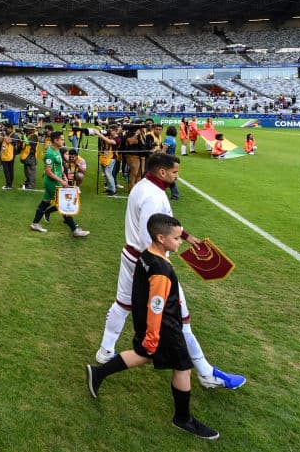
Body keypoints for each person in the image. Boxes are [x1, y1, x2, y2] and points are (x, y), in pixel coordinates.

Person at [94, 152, 245, 390]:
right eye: (175, 172)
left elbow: (159, 222)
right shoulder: (153, 196)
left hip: (132, 256)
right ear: (162, 172)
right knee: (181, 319)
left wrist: (185, 236)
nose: (177, 176)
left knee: (123, 304)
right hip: (151, 265)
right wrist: (163, 263)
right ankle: (206, 373)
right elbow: (151, 235)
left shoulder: (144, 185)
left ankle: (105, 350)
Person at [86, 214, 220, 441]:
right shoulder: (161, 271)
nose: (180, 242)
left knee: (144, 355)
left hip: (148, 321)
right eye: (177, 238)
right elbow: (157, 306)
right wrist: (152, 335)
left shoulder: (146, 256)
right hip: (163, 326)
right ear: (161, 238)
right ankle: (183, 419)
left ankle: (98, 373)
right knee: (183, 366)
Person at [29, 131, 89, 237]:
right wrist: (61, 181)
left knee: (45, 203)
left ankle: (34, 224)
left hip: (56, 180)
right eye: (61, 139)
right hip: (52, 182)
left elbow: (58, 167)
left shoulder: (57, 151)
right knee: (63, 204)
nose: (63, 140)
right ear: (56, 140)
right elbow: (48, 171)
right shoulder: (50, 153)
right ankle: (75, 230)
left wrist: (63, 176)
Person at [162, 125, 180, 200]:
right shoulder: (173, 139)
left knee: (167, 176)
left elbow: (164, 150)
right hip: (172, 158)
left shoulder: (168, 139)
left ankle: (175, 194)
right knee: (168, 176)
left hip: (167, 159)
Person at [0, 125, 15, 190]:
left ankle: (9, 185)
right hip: (4, 155)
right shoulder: (4, 134)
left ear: (11, 129)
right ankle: (9, 184)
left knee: (10, 171)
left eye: (7, 129)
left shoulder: (14, 135)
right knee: (6, 171)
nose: (6, 130)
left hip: (11, 156)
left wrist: (5, 135)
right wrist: (2, 134)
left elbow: (8, 141)